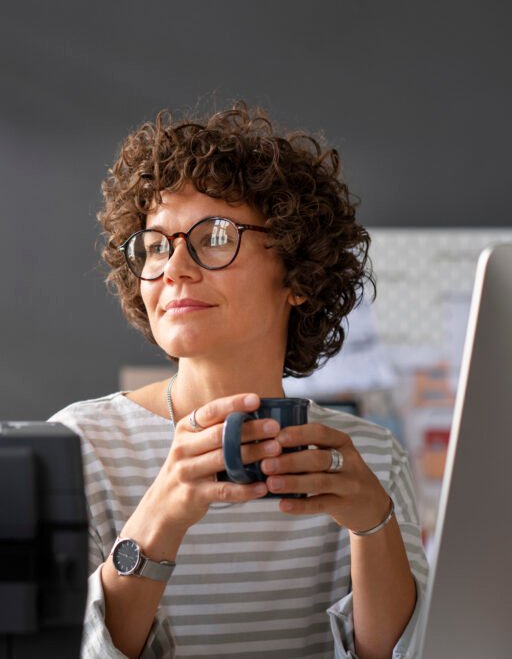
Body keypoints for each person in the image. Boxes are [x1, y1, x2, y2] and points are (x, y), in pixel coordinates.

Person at [49, 103, 427, 659]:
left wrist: (373, 524)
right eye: (156, 245)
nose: (174, 267)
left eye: (216, 236)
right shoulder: (80, 447)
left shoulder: (369, 458)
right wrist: (161, 516)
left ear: (298, 273)